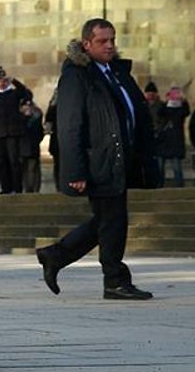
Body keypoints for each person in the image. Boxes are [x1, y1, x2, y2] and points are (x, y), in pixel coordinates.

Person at [36, 18, 155, 301]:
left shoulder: (117, 72)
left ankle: (55, 255)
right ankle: (114, 280)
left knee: (108, 220)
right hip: (97, 161)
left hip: (119, 159)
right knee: (112, 220)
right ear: (86, 44)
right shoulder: (77, 75)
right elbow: (70, 124)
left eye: (112, 39)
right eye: (103, 41)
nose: (110, 45)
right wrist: (75, 170)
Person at [153, 86, 189, 188]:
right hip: (163, 141)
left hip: (175, 141)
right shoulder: (164, 108)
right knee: (160, 168)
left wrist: (184, 100)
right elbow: (160, 113)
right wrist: (166, 102)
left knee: (177, 168)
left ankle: (179, 187)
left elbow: (186, 112)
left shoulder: (181, 109)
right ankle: (158, 186)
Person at [19, 99, 45, 193]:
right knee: (26, 171)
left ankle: (33, 189)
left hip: (31, 148)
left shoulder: (36, 118)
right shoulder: (20, 119)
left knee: (32, 170)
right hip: (23, 148)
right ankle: (28, 189)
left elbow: (40, 134)